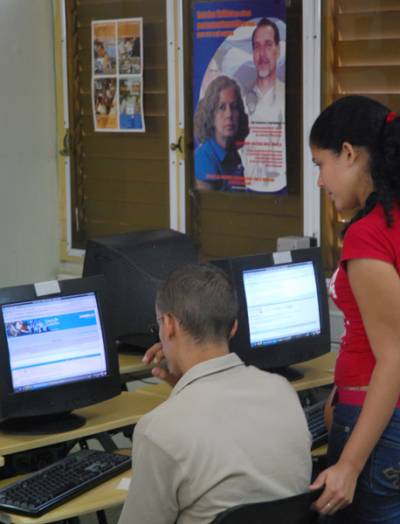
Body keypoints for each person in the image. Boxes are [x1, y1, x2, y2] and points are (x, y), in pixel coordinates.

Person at [117, 264, 312, 524]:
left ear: (170, 325)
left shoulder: (158, 430)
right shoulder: (282, 391)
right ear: (233, 327)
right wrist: (184, 388)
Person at [308, 95, 400, 523]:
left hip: (378, 427)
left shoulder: (368, 235)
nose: (320, 182)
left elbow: (394, 355)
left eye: (319, 165)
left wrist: (349, 464)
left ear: (348, 153)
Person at [240, 17, 286, 192]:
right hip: (248, 190)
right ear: (252, 54)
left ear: (278, 50)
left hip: (283, 189)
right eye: (257, 47)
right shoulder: (241, 100)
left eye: (268, 45)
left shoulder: (286, 98)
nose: (262, 54)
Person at [194, 75, 249, 191]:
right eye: (222, 107)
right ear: (211, 114)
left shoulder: (233, 154)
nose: (229, 114)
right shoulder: (203, 158)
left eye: (234, 107)